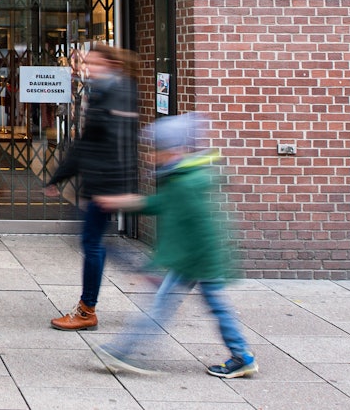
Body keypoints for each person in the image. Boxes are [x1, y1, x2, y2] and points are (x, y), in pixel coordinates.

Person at [93, 113, 258, 379]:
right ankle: (242, 355)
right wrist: (121, 202)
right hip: (199, 258)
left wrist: (155, 264)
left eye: (155, 150)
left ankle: (121, 352)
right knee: (213, 306)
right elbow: (161, 203)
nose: (151, 156)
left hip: (196, 260)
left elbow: (183, 227)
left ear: (172, 150)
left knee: (161, 306)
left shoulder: (185, 182)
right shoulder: (186, 176)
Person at [43, 43, 138, 331]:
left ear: (111, 65)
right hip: (101, 183)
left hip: (104, 184)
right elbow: (88, 143)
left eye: (96, 64)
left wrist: (111, 189)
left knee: (92, 243)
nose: (90, 69)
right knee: (93, 242)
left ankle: (87, 310)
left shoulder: (116, 93)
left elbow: (113, 145)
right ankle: (146, 275)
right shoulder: (107, 92)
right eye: (89, 63)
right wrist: (60, 177)